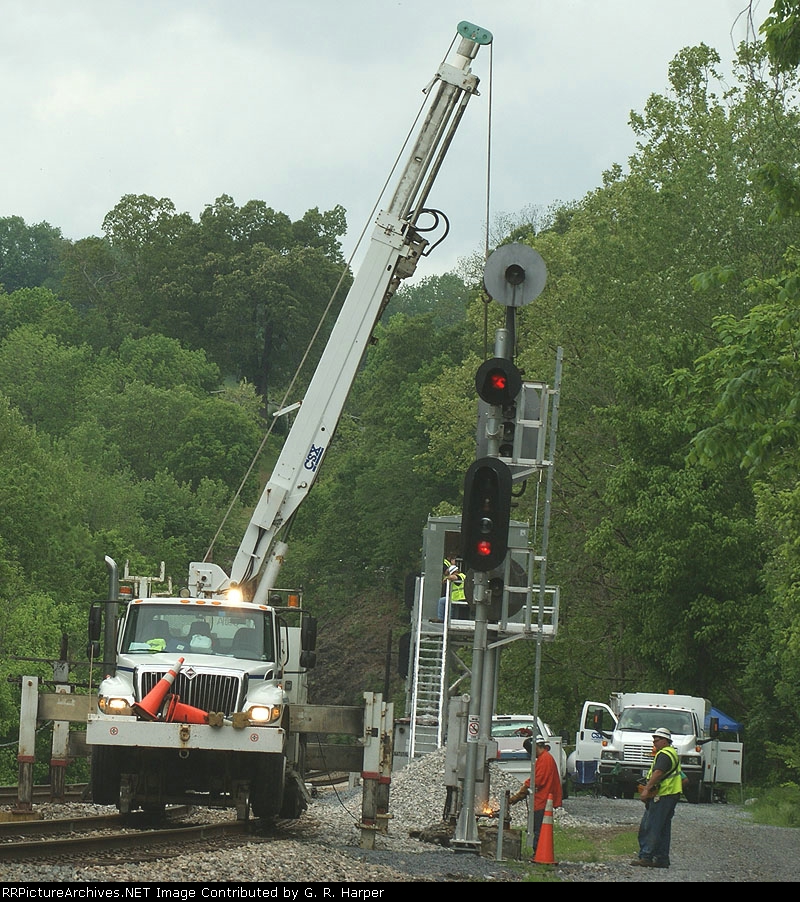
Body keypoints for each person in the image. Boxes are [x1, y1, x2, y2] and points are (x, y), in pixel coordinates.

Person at [632, 727, 682, 869]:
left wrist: (646, 789)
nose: (654, 742)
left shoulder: (664, 754)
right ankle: (661, 858)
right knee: (663, 828)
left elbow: (658, 772)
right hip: (671, 795)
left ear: (666, 740)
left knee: (650, 827)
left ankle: (646, 856)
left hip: (662, 795)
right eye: (654, 739)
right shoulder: (672, 753)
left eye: (657, 739)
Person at [509, 734, 563, 855]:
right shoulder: (546, 758)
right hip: (543, 800)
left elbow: (536, 780)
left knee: (539, 829)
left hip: (542, 801)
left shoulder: (545, 760)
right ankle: (539, 852)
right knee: (539, 829)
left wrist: (518, 796)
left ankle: (538, 852)